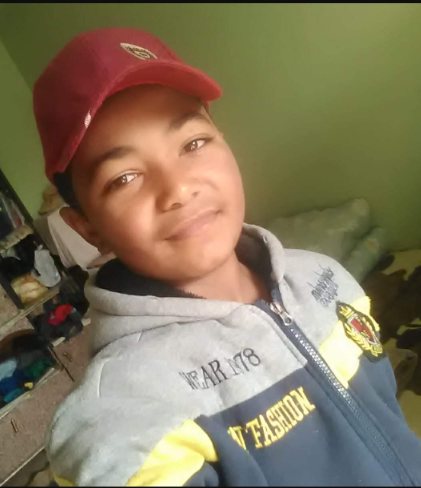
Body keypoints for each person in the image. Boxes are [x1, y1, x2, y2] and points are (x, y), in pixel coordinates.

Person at [33, 27, 421, 486]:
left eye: (193, 144)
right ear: (88, 228)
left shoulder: (326, 278)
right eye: (124, 178)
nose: (179, 188)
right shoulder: (123, 416)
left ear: (223, 139)